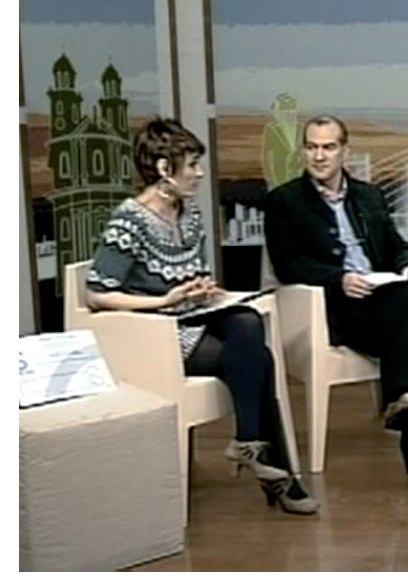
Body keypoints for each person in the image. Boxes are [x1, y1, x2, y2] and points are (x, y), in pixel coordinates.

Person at [86, 117, 319, 515]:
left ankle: (249, 443)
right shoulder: (128, 221)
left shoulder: (189, 213)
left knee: (247, 320)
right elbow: (96, 293)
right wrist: (163, 301)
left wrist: (200, 288)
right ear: (164, 168)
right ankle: (274, 472)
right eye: (192, 164)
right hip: (157, 332)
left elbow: (190, 271)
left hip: (194, 314)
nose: (199, 173)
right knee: (259, 360)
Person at [263, 115, 408, 490]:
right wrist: (338, 279)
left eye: (328, 147)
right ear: (304, 151)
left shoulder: (369, 195)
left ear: (344, 151)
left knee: (402, 298)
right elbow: (288, 264)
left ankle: (402, 400)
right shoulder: (283, 201)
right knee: (405, 320)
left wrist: (407, 266)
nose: (319, 156)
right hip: (337, 307)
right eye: (312, 147)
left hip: (385, 299)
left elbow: (395, 246)